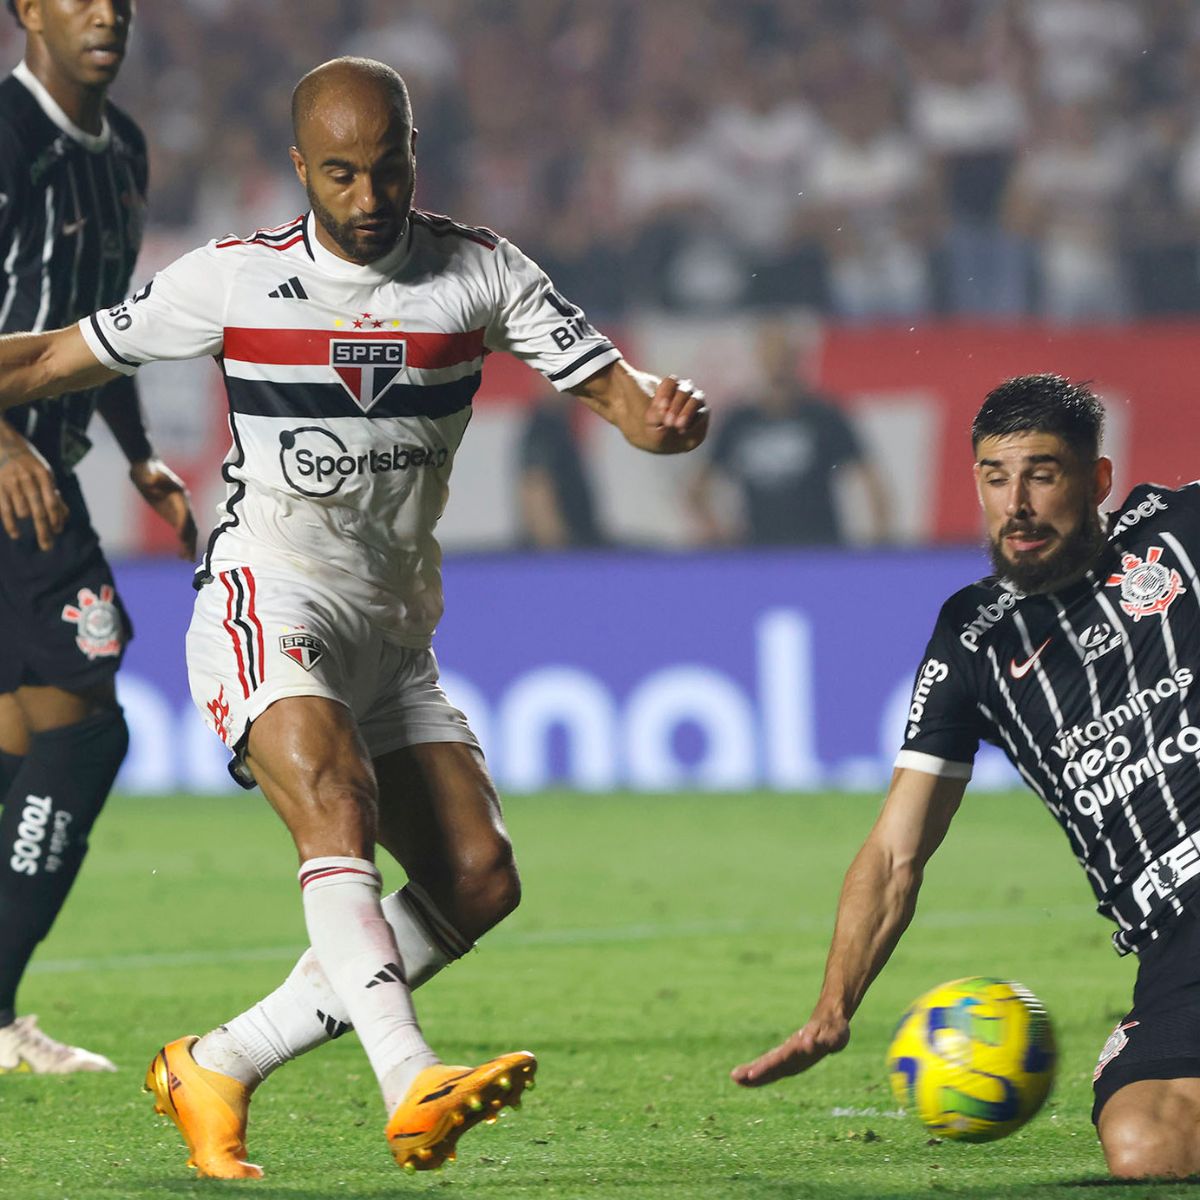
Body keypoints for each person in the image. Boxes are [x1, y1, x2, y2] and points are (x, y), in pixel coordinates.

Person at [0, 57, 707, 1176]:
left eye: (387, 171)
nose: (369, 198)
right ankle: (410, 1077)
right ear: (299, 172)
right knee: (336, 796)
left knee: (479, 878)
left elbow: (619, 392)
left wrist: (661, 423)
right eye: (340, 175)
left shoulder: (480, 271)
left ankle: (219, 1061)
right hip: (266, 594)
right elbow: (42, 357)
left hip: (393, 625)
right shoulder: (232, 280)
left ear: (415, 160)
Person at [732, 373, 1200, 1180]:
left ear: (1097, 481)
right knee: (1144, 1144)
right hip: (1179, 938)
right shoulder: (972, 638)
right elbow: (893, 854)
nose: (1015, 501)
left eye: (1042, 474)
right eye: (994, 475)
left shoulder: (1179, 532)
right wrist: (833, 1009)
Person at [0, 0, 195, 1075]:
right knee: (86, 728)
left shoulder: (121, 149)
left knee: (25, 735)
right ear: (26, 10)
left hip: (43, 469)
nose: (104, 12)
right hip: (9, 478)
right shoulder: (8, 134)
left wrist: (136, 451)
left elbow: (106, 324)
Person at [688, 321, 889, 546]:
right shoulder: (739, 420)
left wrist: (878, 542)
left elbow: (872, 482)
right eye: (772, 355)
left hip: (820, 547)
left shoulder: (824, 416)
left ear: (797, 358)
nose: (778, 365)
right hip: (761, 552)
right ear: (759, 358)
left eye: (784, 356)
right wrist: (721, 536)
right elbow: (697, 490)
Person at [517, 389, 606, 549]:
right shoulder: (544, 427)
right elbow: (536, 486)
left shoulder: (560, 424)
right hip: (567, 553)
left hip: (577, 547)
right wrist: (555, 552)